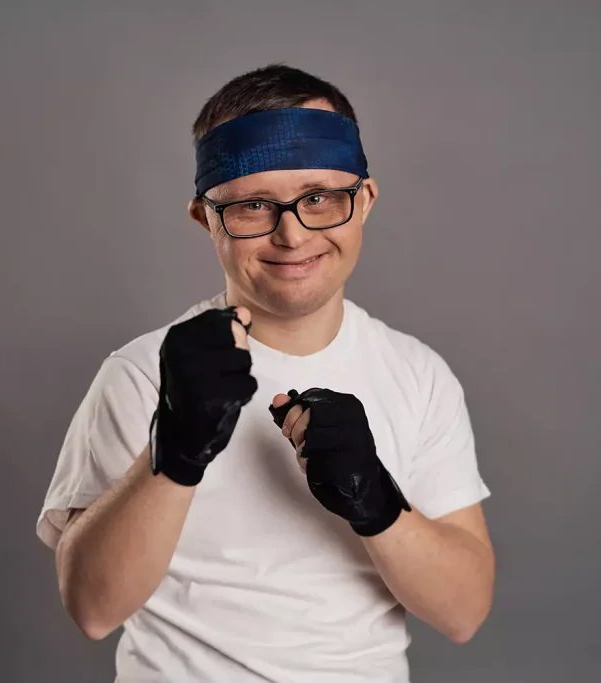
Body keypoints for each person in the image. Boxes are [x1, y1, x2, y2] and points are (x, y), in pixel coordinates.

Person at [36, 64, 495, 682]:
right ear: (206, 219)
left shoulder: (418, 373)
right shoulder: (144, 373)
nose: (291, 233)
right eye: (253, 205)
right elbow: (92, 609)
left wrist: (378, 504)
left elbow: (464, 612)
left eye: (320, 198)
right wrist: (171, 455)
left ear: (364, 201)